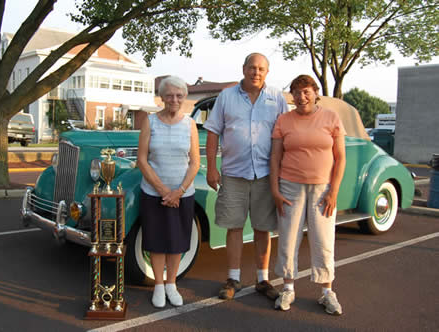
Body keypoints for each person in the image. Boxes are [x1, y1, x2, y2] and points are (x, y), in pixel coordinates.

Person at [204, 53, 288, 301]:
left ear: (267, 72)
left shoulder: (277, 98)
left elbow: (286, 134)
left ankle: (263, 280)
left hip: (266, 175)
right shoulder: (226, 97)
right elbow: (212, 133)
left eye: (261, 68)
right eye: (252, 67)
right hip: (233, 174)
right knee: (235, 227)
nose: (256, 72)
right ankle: (233, 278)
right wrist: (211, 167)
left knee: (263, 228)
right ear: (243, 69)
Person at [270, 74, 346, 315]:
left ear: (315, 93)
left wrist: (333, 191)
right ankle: (288, 288)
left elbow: (341, 157)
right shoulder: (284, 120)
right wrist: (275, 190)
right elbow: (275, 157)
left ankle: (326, 292)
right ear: (291, 95)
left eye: (306, 92)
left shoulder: (331, 117)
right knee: (288, 238)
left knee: (323, 240)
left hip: (322, 189)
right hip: (289, 186)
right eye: (296, 92)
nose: (301, 97)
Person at [137, 76, 200, 308]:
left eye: (179, 95)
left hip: (182, 194)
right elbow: (142, 160)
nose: (174, 99)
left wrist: (178, 191)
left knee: (176, 241)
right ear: (162, 97)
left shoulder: (190, 124)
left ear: (184, 98)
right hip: (154, 193)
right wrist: (164, 191)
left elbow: (195, 163)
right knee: (156, 240)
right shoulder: (150, 122)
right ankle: (159, 286)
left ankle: (172, 284)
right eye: (170, 95)